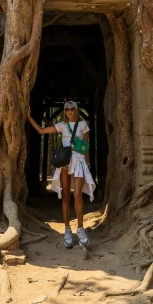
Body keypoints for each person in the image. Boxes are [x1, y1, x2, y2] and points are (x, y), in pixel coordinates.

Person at [27, 101, 95, 248]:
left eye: (72, 109)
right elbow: (41, 131)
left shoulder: (83, 125)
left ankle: (81, 228)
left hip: (79, 162)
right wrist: (29, 118)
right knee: (66, 196)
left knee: (77, 194)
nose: (70, 111)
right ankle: (67, 230)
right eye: (67, 109)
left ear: (76, 111)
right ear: (64, 111)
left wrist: (87, 164)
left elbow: (86, 146)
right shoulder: (61, 126)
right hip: (65, 163)